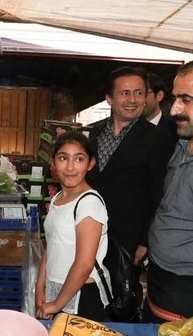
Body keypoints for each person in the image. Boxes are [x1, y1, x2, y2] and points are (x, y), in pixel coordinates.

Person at [87, 66, 172, 281]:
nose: (132, 100)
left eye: (139, 93)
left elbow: (161, 194)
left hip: (128, 240)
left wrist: (145, 241)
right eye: (125, 93)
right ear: (109, 98)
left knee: (121, 299)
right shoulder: (95, 134)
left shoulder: (158, 138)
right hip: (91, 231)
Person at [36, 131, 110, 321]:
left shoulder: (89, 203)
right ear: (53, 163)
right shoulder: (58, 198)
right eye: (63, 158)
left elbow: (84, 263)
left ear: (90, 163)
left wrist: (57, 304)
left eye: (79, 159)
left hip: (82, 297)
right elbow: (51, 247)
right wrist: (40, 286)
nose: (70, 167)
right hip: (56, 290)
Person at [144, 61, 193, 323]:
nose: (174, 110)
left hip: (184, 288)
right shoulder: (181, 143)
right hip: (160, 277)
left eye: (186, 100)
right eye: (175, 98)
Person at [143, 72, 177, 145]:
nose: (137, 99)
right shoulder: (125, 129)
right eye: (138, 94)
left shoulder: (175, 132)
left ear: (159, 95)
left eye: (143, 93)